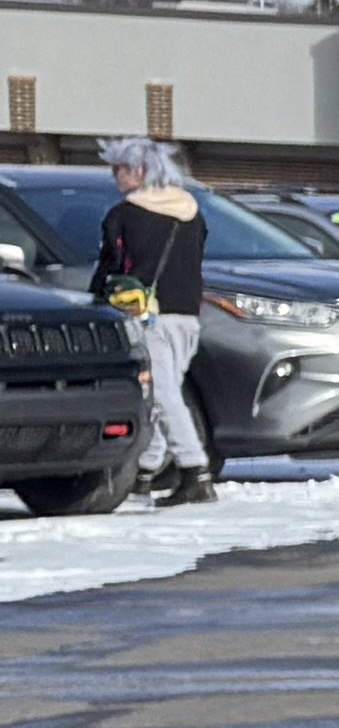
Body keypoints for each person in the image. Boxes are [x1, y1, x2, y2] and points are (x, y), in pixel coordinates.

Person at [96, 136, 216, 503]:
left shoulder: (123, 216)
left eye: (119, 169)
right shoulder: (192, 213)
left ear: (139, 172)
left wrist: (96, 301)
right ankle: (146, 470)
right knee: (168, 392)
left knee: (161, 395)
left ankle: (195, 472)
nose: (115, 176)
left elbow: (111, 266)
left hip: (146, 314)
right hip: (187, 313)